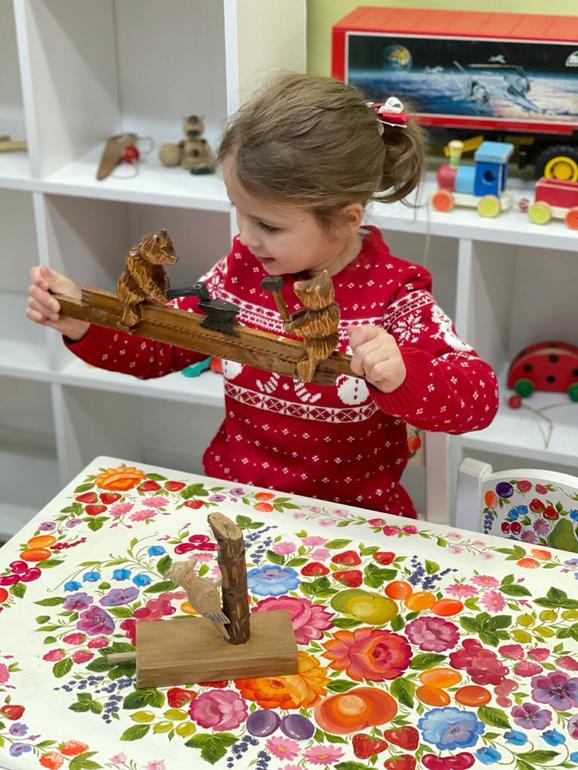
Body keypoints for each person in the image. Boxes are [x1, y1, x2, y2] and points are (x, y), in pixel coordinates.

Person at [26, 73, 498, 518]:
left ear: (347, 219)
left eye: (269, 226)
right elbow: (162, 346)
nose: (246, 237)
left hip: (352, 524)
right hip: (240, 507)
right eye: (239, 211)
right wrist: (85, 322)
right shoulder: (242, 270)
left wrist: (403, 374)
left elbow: (478, 397)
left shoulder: (393, 293)